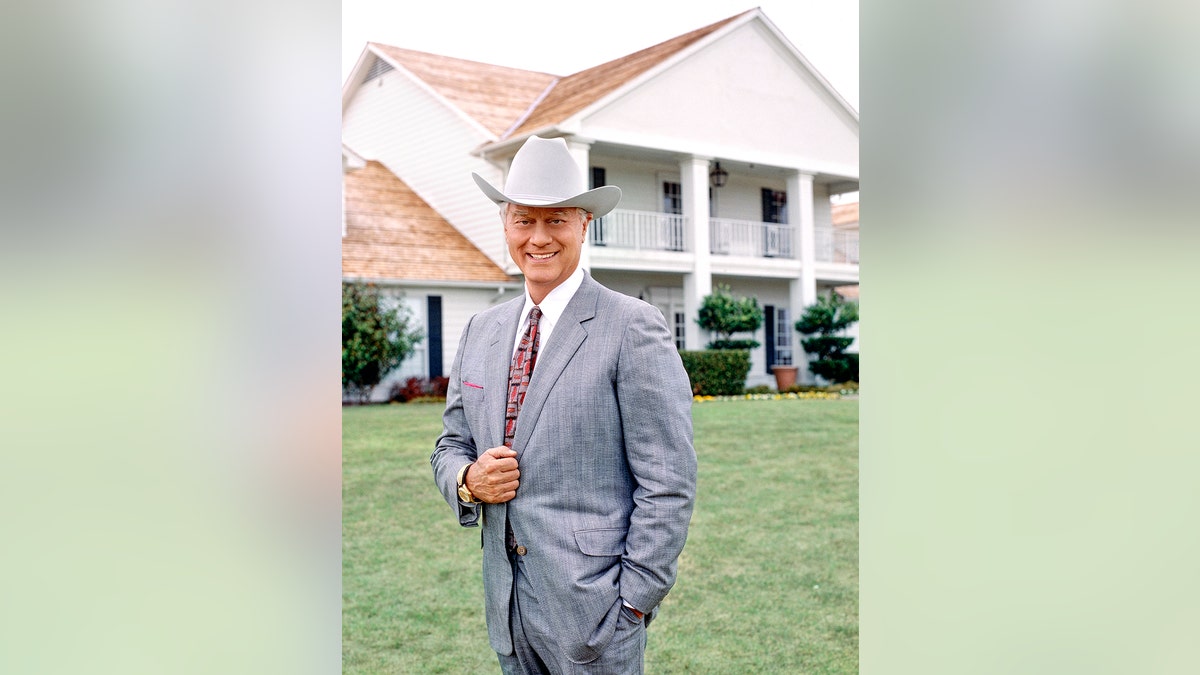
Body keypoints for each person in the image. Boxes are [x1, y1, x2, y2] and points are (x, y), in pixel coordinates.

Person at [431, 135, 697, 674]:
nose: (539, 237)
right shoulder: (482, 330)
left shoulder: (632, 326)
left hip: (598, 616)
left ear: (583, 224)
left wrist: (633, 601)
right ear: (506, 226)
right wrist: (467, 481)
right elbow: (451, 443)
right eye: (525, 221)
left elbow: (667, 480)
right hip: (507, 607)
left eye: (557, 220)